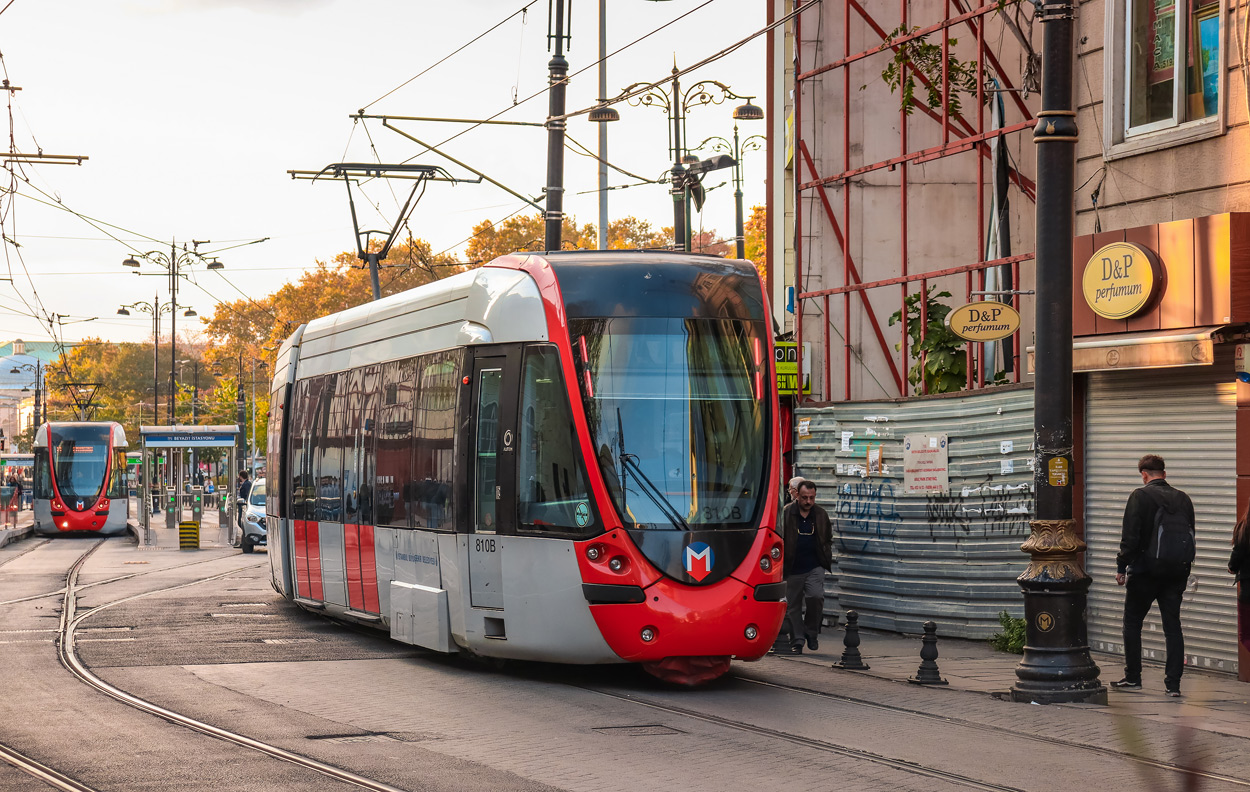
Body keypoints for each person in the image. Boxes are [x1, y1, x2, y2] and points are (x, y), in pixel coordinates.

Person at [1113, 454, 1195, 697]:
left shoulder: (1140, 496)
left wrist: (1121, 566)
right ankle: (1173, 685)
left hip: (1145, 571)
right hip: (1176, 571)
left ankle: (1133, 678)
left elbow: (1130, 538)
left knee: (1132, 623)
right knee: (1173, 627)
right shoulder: (1184, 499)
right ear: (1165, 474)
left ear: (1144, 475)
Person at [782, 479, 833, 653]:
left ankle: (811, 633)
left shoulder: (820, 514)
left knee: (815, 596)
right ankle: (797, 640)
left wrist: (825, 554)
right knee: (792, 606)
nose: (808, 502)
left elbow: (827, 537)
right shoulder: (787, 513)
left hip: (814, 565)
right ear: (797, 495)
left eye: (811, 498)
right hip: (792, 567)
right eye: (805, 498)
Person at [1228, 500, 1250, 662]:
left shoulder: (1244, 528)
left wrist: (1232, 568)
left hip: (1248, 591)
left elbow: (1236, 557)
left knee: (1246, 636)